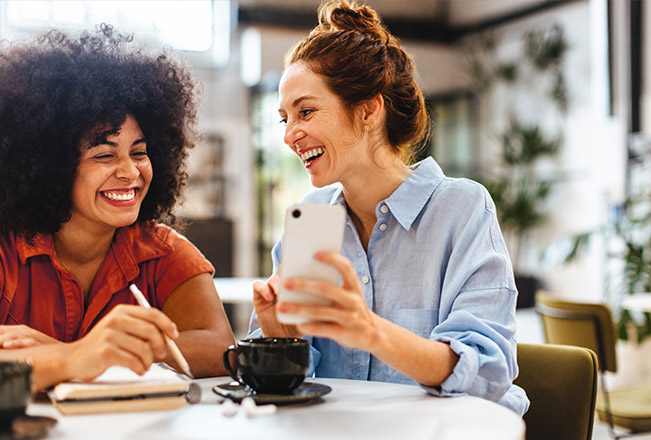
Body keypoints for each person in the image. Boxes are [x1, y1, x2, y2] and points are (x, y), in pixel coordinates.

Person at [249, 0, 528, 415]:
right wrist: (281, 337)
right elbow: (299, 388)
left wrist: (370, 331)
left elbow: (487, 372)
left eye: (305, 111)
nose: (290, 135)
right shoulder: (312, 218)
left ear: (367, 111)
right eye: (284, 119)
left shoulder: (460, 208)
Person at [0, 24, 234, 390]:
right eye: (105, 155)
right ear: (51, 166)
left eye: (139, 152)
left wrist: (88, 354)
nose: (130, 172)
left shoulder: (162, 252)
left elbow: (221, 348)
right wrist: (79, 355)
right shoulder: (6, 251)